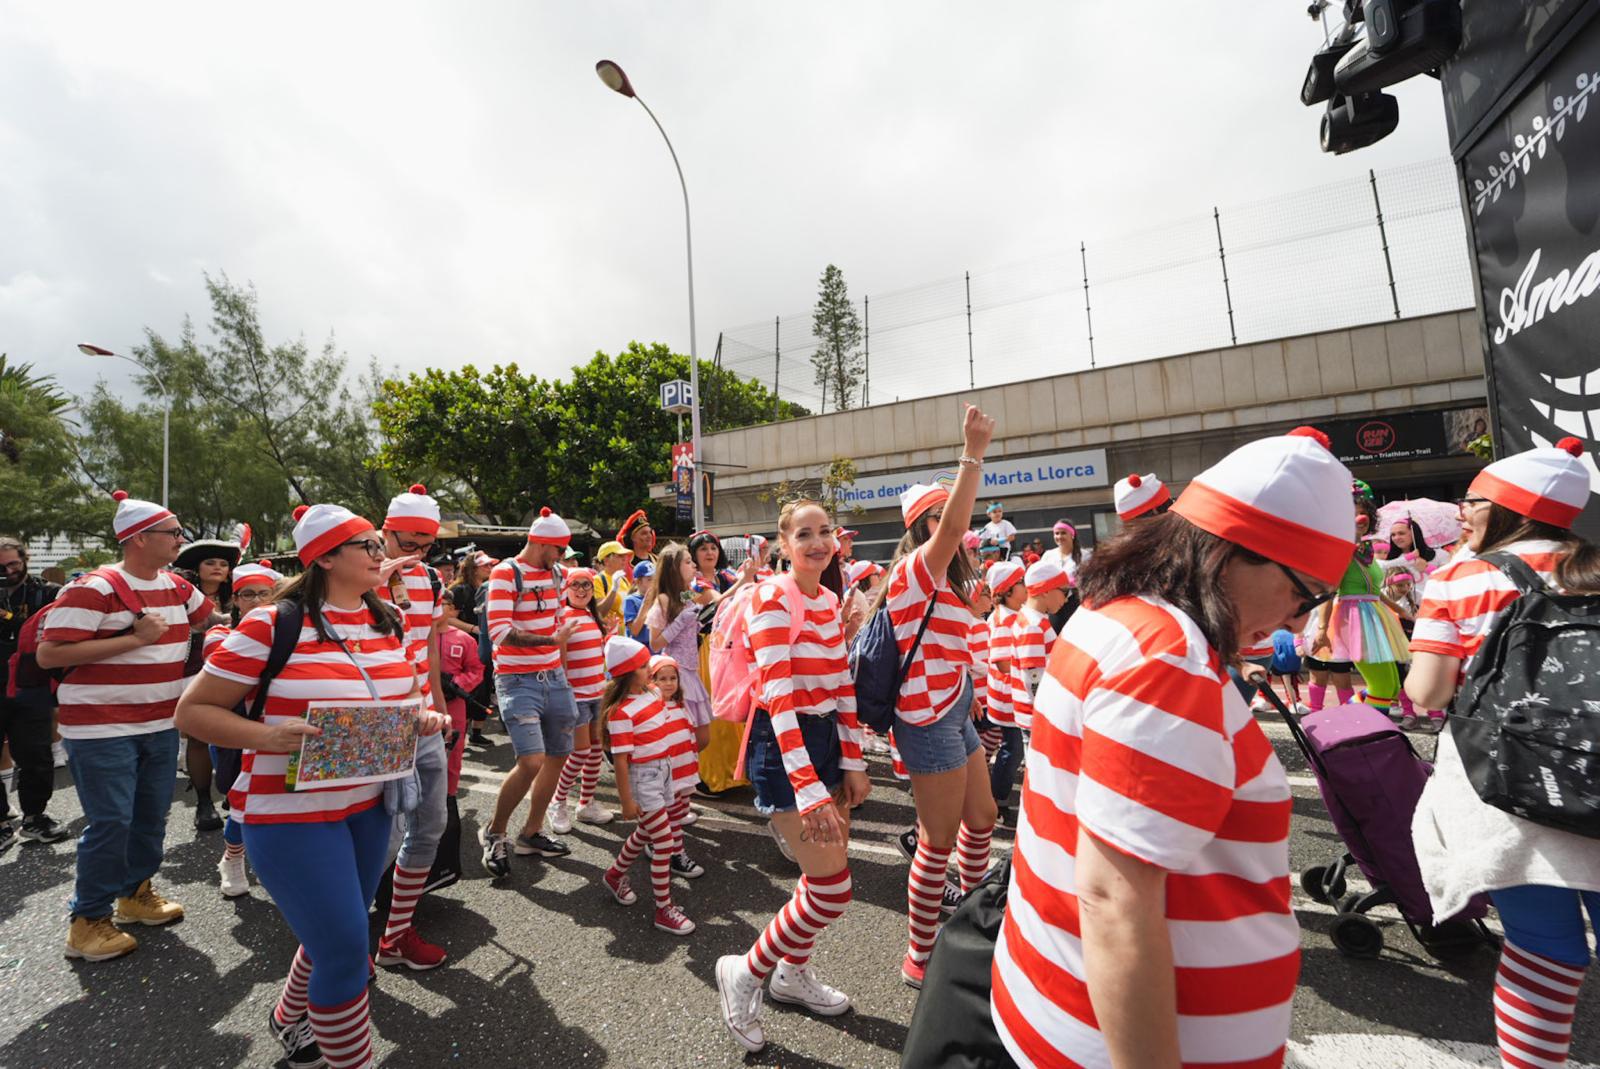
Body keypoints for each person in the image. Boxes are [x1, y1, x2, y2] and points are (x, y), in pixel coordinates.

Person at [992, 426, 1352, 1068]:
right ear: (1232, 551)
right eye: (1304, 593)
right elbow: (1114, 903)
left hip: (1059, 1002)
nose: (1300, 621)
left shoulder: (1114, 615)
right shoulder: (1169, 661)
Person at [177, 502, 445, 1069]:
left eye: (380, 544)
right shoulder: (272, 623)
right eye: (369, 546)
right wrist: (269, 737)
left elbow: (397, 699)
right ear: (324, 557)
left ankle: (285, 1018)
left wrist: (421, 718)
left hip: (372, 806)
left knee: (337, 933)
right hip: (289, 815)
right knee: (348, 953)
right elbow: (192, 713)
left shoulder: (385, 621)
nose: (384, 555)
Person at [1406, 438, 1600, 1069]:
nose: (1462, 512)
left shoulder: (1462, 578)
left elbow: (1427, 692)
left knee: (1543, 947)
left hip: (1507, 787)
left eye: (1473, 500)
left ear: (1510, 509)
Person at [714, 499, 866, 1053]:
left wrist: (852, 760)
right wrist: (808, 789)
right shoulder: (771, 596)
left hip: (823, 742)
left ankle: (790, 974)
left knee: (820, 876)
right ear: (783, 544)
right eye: (805, 533)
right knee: (832, 889)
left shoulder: (827, 597)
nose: (819, 542)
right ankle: (746, 972)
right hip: (783, 746)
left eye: (826, 531)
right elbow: (778, 696)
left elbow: (841, 684)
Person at [38, 491, 214, 963]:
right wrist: (131, 639)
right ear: (138, 538)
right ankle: (87, 920)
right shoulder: (93, 588)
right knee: (112, 820)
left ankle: (135, 895)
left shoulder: (178, 586)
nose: (181, 540)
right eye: (173, 533)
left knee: (151, 816)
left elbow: (211, 621)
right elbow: (49, 654)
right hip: (99, 728)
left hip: (159, 721)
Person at [873, 404, 998, 989]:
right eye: (945, 516)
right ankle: (920, 954)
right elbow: (952, 530)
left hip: (953, 710)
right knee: (938, 840)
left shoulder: (946, 582)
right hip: (924, 722)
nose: (961, 527)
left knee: (985, 818)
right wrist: (972, 453)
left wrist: (969, 691)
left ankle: (968, 922)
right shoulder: (917, 571)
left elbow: (945, 649)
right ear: (927, 524)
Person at [371, 483, 452, 972]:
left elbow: (428, 647)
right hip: (375, 722)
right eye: (408, 544)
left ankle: (396, 934)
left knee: (430, 827)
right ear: (385, 529)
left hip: (423, 716)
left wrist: (439, 702)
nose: (418, 555)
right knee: (378, 837)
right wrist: (371, 578)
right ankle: (336, 945)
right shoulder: (353, 571)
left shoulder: (430, 580)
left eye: (427, 546)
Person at [478, 508, 579, 878]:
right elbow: (501, 632)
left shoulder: (555, 573)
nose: (562, 557)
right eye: (558, 549)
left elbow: (559, 620)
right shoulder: (506, 573)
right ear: (539, 542)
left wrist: (562, 666)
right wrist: (551, 640)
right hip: (517, 680)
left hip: (553, 677)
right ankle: (495, 831)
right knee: (532, 760)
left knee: (557, 755)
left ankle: (531, 832)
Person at [598, 636, 696, 936]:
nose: (649, 670)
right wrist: (626, 801)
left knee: (646, 832)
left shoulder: (652, 694)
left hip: (664, 771)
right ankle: (664, 909)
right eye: (643, 666)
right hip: (645, 778)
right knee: (664, 842)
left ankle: (614, 875)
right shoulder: (621, 713)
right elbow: (623, 762)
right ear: (629, 673)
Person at [205, 561, 283, 898]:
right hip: (234, 727)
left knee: (282, 801)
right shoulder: (220, 634)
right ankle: (233, 858)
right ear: (235, 600)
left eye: (263, 593)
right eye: (247, 594)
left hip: (279, 726)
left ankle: (273, 863)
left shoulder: (290, 631)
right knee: (241, 798)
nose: (255, 600)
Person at [1308, 490, 1411, 717]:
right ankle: (1369, 733)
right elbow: (1328, 591)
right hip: (1354, 618)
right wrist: (1322, 629)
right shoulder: (1339, 551)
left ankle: (1347, 719)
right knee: (1382, 687)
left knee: (1392, 687)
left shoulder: (1366, 551)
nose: (1359, 518)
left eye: (1363, 513)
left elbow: (1373, 591)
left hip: (1374, 615)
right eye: (1351, 514)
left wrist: (1399, 609)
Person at [0, 537, 67, 847]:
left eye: (13, 564)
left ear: (25, 560)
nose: (8, 571)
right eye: (1, 567)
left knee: (37, 755)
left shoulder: (48, 592)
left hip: (31, 685)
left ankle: (34, 817)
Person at [549, 567, 613, 832]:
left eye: (587, 586)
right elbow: (561, 660)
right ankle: (558, 801)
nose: (582, 590)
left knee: (596, 751)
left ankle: (586, 803)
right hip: (575, 696)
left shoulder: (591, 615)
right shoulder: (563, 617)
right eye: (576, 585)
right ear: (566, 589)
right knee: (581, 752)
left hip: (597, 694)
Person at [645, 543, 716, 751]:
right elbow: (655, 643)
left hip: (691, 672)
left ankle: (684, 773)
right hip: (674, 673)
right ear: (674, 568)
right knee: (683, 736)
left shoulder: (685, 596)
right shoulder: (664, 599)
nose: (694, 565)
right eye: (687, 561)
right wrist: (680, 622)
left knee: (701, 738)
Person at [648, 654, 705, 878]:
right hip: (667, 778)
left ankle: (655, 844)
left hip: (684, 774)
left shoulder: (679, 704)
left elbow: (689, 737)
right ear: (650, 681)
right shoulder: (653, 709)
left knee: (678, 813)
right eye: (662, 679)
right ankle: (676, 855)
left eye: (673, 678)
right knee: (672, 819)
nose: (669, 683)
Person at [982, 560, 1025, 791]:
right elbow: (1002, 662)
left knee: (1011, 746)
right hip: (1008, 698)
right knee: (1013, 749)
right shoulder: (1004, 620)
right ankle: (998, 797)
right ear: (1008, 590)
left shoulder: (1011, 614)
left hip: (1008, 696)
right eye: (1022, 582)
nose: (1028, 587)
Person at [592, 541, 631, 634]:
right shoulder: (598, 580)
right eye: (619, 556)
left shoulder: (623, 580)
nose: (624, 559)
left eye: (624, 556)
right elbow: (600, 612)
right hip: (611, 635)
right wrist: (614, 589)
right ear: (606, 560)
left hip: (626, 634)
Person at [623, 560, 654, 643]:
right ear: (638, 581)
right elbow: (634, 631)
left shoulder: (658, 598)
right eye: (649, 579)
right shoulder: (630, 600)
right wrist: (646, 604)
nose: (654, 583)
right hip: (639, 650)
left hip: (657, 650)